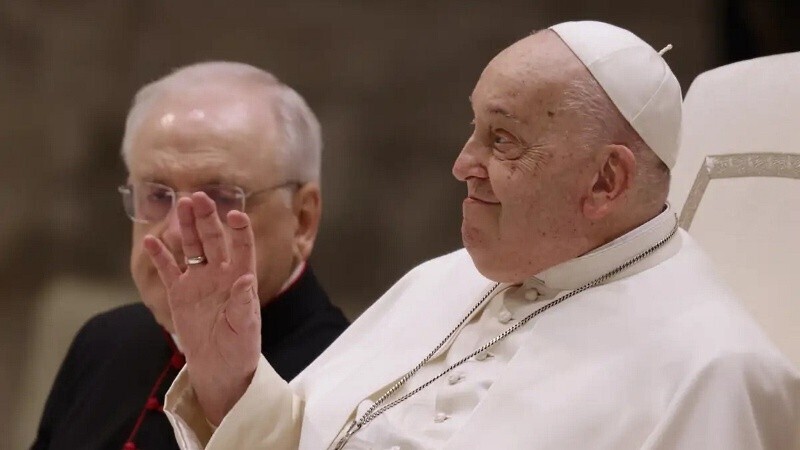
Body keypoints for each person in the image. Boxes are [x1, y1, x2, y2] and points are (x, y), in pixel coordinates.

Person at [159, 22, 800, 449]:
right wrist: (231, 380)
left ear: (606, 180)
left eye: (503, 140)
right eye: (474, 129)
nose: (463, 163)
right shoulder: (439, 280)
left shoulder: (714, 374)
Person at [31, 62, 349, 450]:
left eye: (219, 197)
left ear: (302, 220)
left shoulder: (353, 386)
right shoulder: (104, 342)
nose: (178, 232)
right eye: (157, 194)